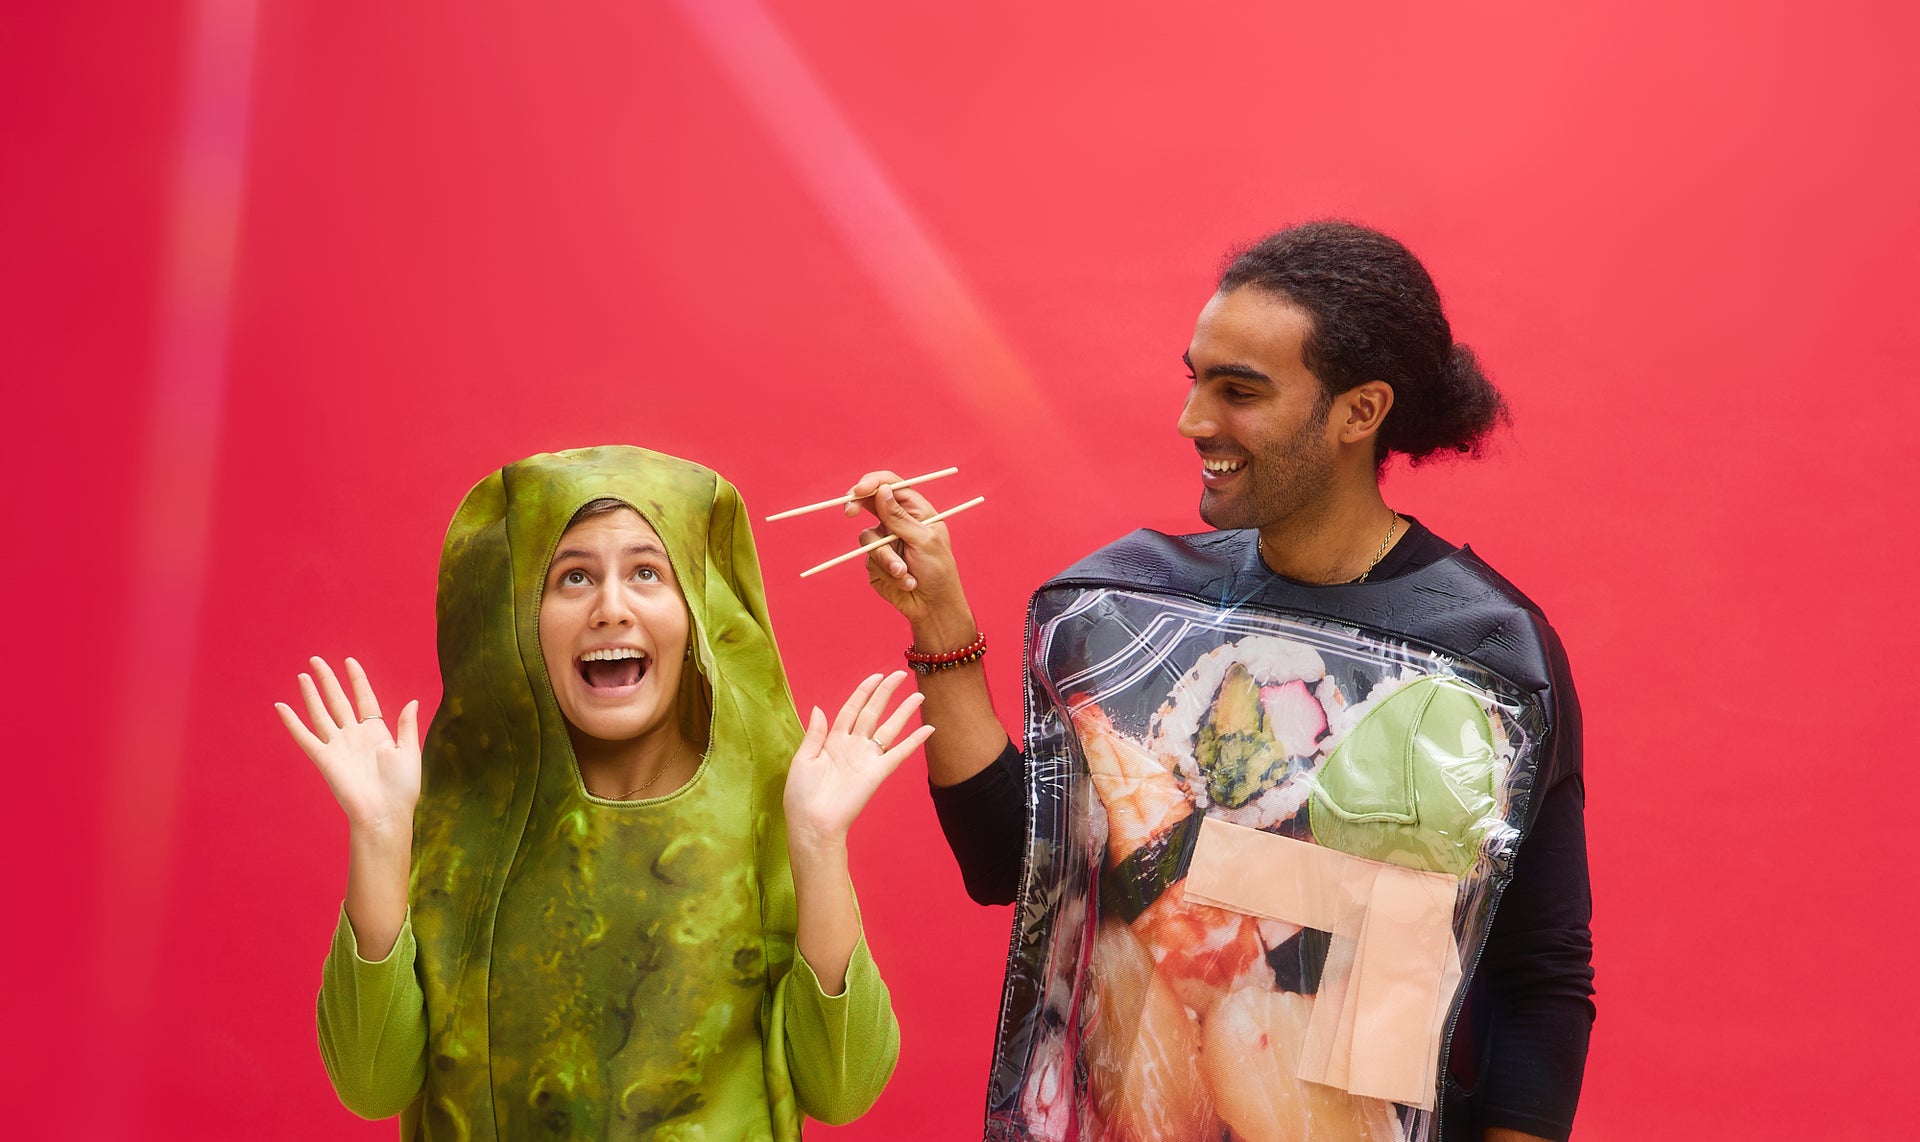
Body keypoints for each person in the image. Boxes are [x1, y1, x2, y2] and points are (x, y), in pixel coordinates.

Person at [842, 221, 1593, 1142]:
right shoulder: (1127, 607)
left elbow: (1539, 974)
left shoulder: (1485, 654)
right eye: (1195, 379)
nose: (1195, 420)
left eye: (1239, 391)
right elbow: (1015, 866)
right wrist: (941, 627)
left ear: (1361, 412)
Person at [276, 445, 925, 1140]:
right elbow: (372, 1084)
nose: (610, 608)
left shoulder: (772, 809)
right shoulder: (457, 817)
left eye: (648, 572)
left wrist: (821, 846)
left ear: (697, 616)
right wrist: (378, 836)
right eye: (574, 578)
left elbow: (845, 1089)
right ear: (522, 619)